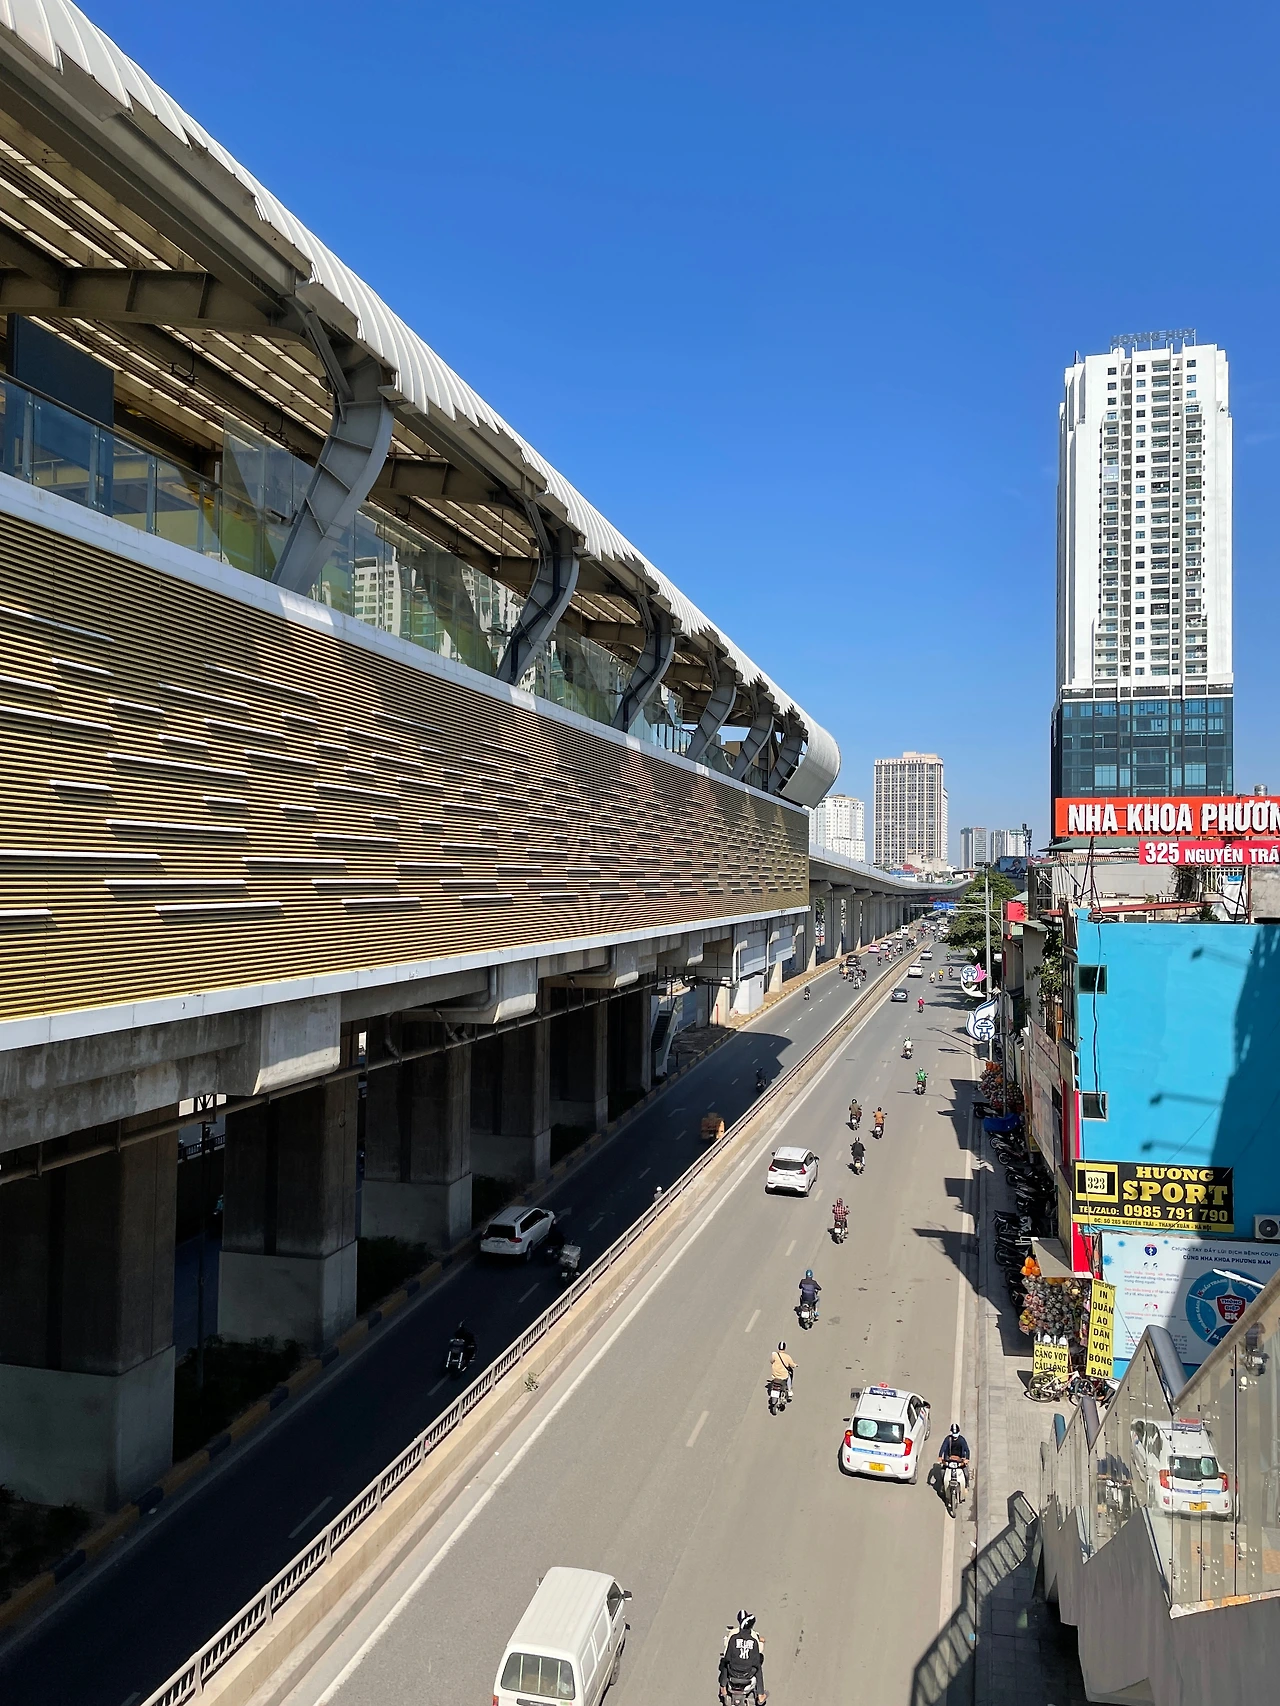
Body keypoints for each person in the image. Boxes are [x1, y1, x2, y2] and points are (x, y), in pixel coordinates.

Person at [720, 1610, 767, 1702]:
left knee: (725, 1663)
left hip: (733, 1672)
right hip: (748, 1673)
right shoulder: (753, 1641)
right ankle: (760, 1694)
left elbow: (727, 1658)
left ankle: (723, 1688)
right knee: (758, 1668)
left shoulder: (733, 1638)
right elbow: (756, 1662)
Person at [937, 1422, 971, 1492]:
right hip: (949, 1459)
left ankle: (966, 1486)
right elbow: (943, 1448)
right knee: (942, 1472)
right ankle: (943, 1485)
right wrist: (940, 1456)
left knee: (966, 1473)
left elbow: (967, 1450)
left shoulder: (962, 1440)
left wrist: (967, 1459)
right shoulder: (948, 1439)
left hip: (959, 1460)